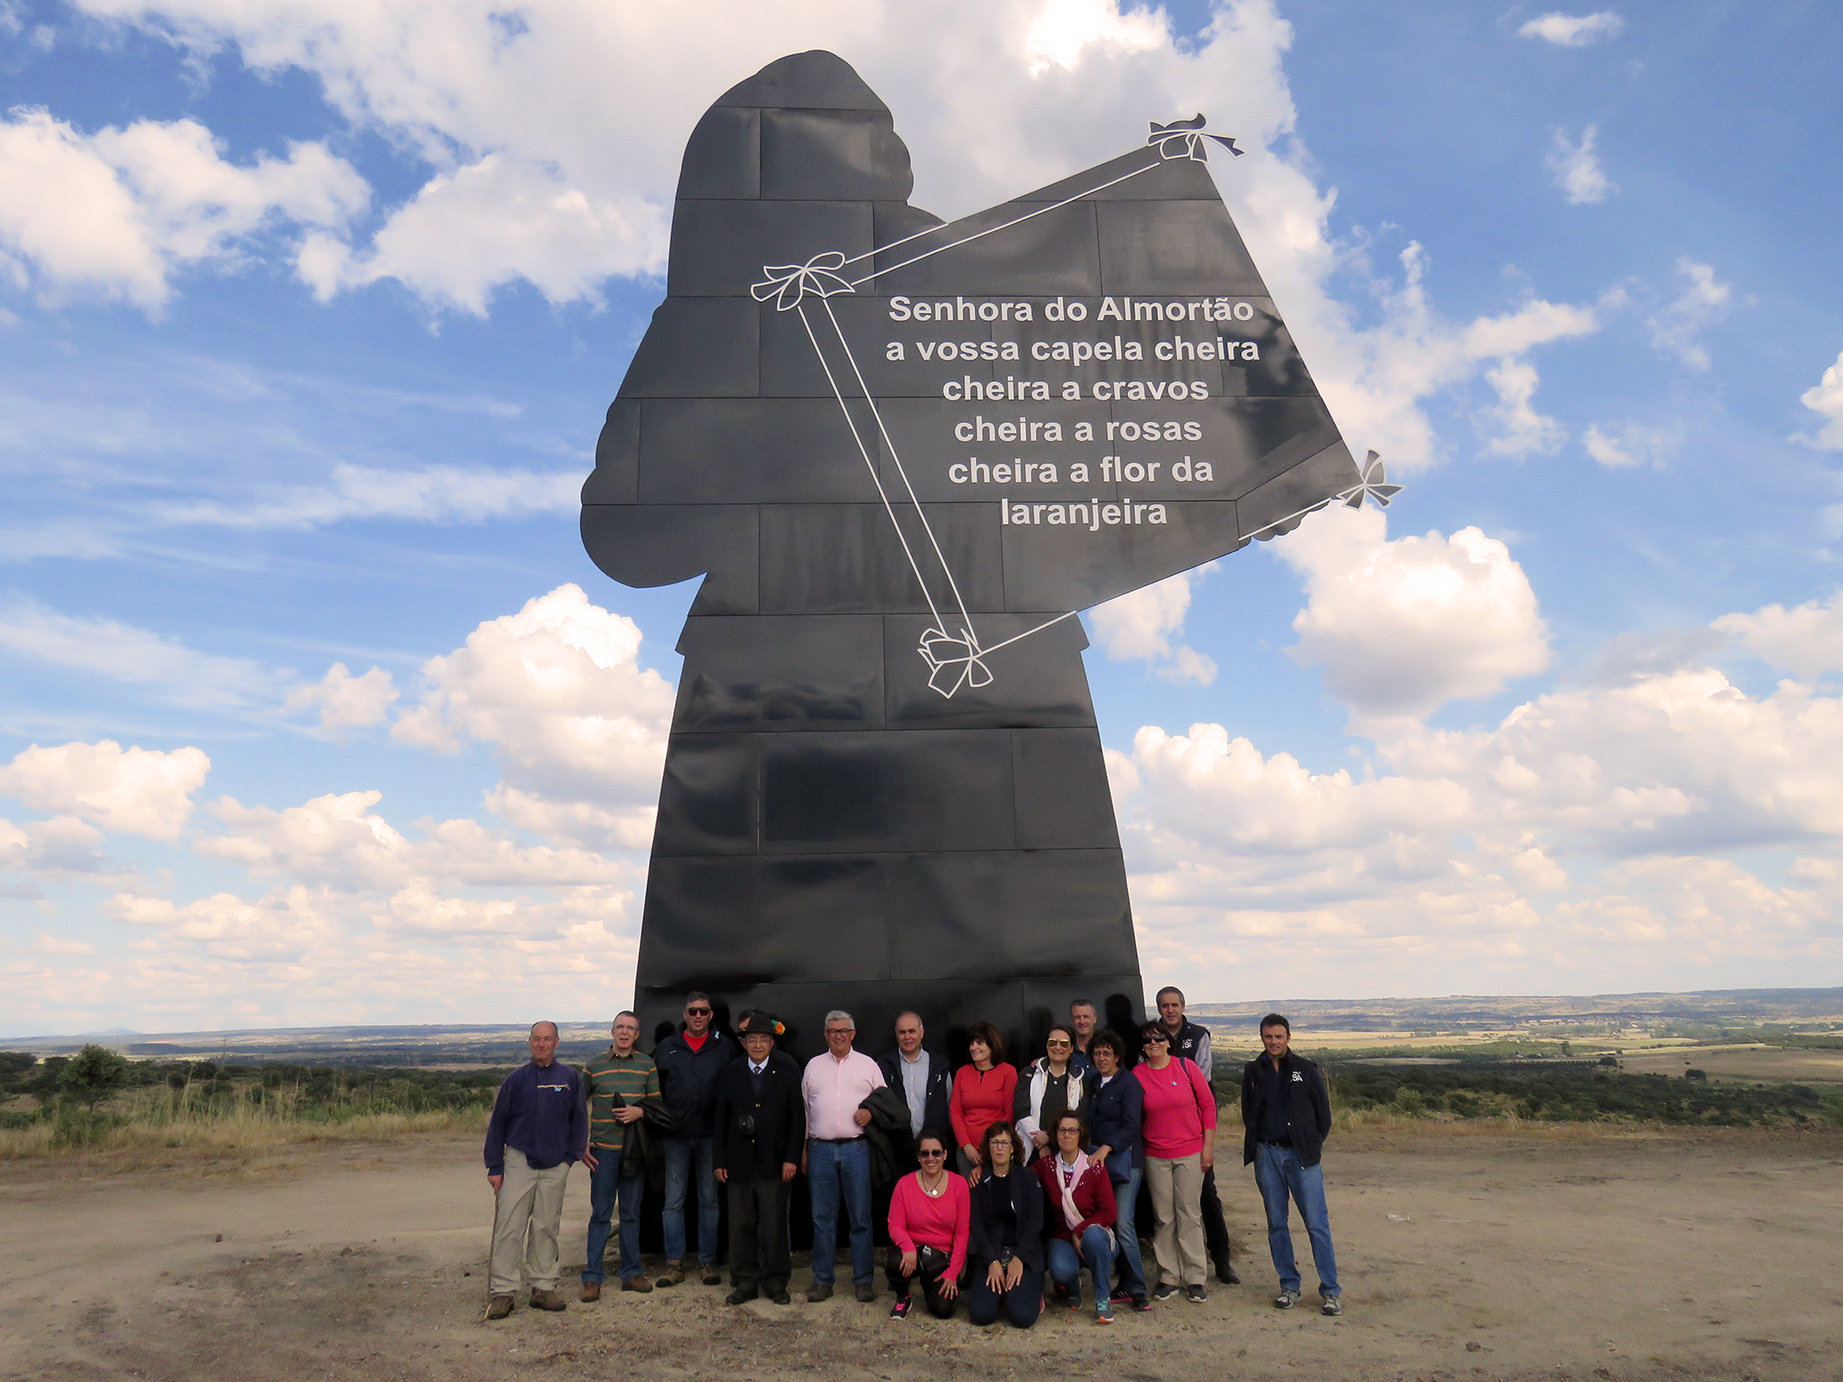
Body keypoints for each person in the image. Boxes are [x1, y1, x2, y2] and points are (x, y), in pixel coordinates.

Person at [482, 1021, 586, 1320]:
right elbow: (498, 1124)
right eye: (537, 1039)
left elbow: (579, 1120)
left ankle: (543, 1287)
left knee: (546, 1227)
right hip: (518, 1162)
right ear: (529, 1043)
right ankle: (502, 1292)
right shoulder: (516, 1080)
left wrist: (570, 1159)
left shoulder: (569, 1078)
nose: (542, 1044)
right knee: (509, 1227)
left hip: (556, 1165)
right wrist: (495, 1166)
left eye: (547, 1039)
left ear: (557, 1042)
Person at [1241, 1013, 1341, 1316]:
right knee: (1276, 1223)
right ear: (1261, 1038)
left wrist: (1309, 1144)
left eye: (1279, 1036)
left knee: (1316, 1224)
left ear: (1288, 1038)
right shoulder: (1253, 1071)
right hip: (1267, 1154)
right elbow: (1249, 1112)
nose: (1273, 1042)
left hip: (1301, 1156)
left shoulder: (1305, 1069)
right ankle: (1288, 1284)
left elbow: (1323, 1115)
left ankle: (1330, 1291)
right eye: (1268, 1037)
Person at [711, 1011, 804, 1305]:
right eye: (752, 1040)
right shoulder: (732, 1071)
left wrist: (791, 1158)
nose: (758, 1045)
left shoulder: (787, 1069)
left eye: (764, 1039)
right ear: (744, 1042)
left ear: (772, 1043)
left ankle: (776, 1282)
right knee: (741, 1225)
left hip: (774, 1162)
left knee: (774, 1224)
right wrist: (719, 1160)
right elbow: (721, 1119)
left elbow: (797, 1117)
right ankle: (745, 1281)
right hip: (738, 1162)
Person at [801, 1009, 887, 1302]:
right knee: (822, 1218)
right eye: (832, 1031)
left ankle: (863, 1280)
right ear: (825, 1035)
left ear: (853, 1034)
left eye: (843, 1030)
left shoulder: (868, 1065)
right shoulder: (813, 1066)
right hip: (819, 1150)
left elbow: (884, 1103)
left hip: (857, 1149)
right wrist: (803, 1150)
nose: (838, 1035)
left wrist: (870, 1112)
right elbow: (805, 1112)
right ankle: (822, 1280)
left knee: (861, 1218)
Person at [1156, 985, 1237, 1284]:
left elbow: (1201, 1079)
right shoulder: (1153, 1035)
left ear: (1183, 1006)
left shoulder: (1199, 1035)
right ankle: (1174, 1265)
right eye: (1165, 1005)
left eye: (1175, 1004)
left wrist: (1167, 1086)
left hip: (1196, 1131)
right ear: (1159, 1009)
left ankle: (1222, 1260)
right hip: (1164, 1133)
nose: (1170, 1010)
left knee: (1207, 1196)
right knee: (1167, 1206)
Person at [652, 992, 733, 1288]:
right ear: (684, 1014)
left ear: (711, 1015)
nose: (698, 1016)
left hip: (711, 1136)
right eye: (692, 1011)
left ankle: (707, 1261)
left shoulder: (724, 1047)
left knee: (709, 1201)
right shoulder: (667, 1048)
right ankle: (674, 1263)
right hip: (675, 1137)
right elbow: (655, 1089)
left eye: (703, 1011)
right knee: (673, 1202)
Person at [1134, 1019, 1216, 1304]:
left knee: (1189, 1214)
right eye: (1147, 1040)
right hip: (1155, 1155)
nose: (1153, 1043)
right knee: (1163, 1218)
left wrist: (1208, 1148)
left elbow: (1207, 1106)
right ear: (1142, 1047)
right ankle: (1169, 1276)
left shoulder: (1186, 1067)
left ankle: (1195, 1277)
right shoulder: (1137, 1074)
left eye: (1158, 1037)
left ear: (1168, 1041)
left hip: (1190, 1152)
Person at [579, 1011, 656, 1302]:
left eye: (631, 1029)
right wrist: (580, 1143)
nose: (625, 1033)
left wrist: (641, 1111)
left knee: (631, 1214)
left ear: (637, 1035)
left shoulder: (647, 1065)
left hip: (634, 1153)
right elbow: (576, 1107)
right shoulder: (594, 1066)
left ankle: (631, 1273)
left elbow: (657, 1106)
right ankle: (592, 1277)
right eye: (620, 1027)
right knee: (600, 1215)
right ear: (612, 1032)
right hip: (602, 1153)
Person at [1033, 1111, 1118, 1324]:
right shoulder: (1047, 1167)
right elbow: (1020, 1177)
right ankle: (1072, 1284)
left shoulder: (1094, 1166)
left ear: (1080, 1135)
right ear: (1055, 1135)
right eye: (1062, 1130)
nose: (1067, 1135)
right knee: (1060, 1271)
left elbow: (1109, 1212)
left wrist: (1080, 1232)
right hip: (1061, 1236)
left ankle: (1102, 1298)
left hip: (1093, 1235)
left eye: (1072, 1130)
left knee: (1094, 1237)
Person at [1086, 1029, 1149, 1311]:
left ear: (1117, 1056)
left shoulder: (1129, 1084)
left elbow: (1131, 1127)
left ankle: (1138, 1288)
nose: (1101, 1058)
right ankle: (1114, 1282)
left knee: (1123, 1223)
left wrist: (1107, 1147)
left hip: (1125, 1162)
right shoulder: (1093, 1083)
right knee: (1103, 1223)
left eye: (1106, 1053)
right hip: (1097, 1163)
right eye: (1097, 1053)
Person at [964, 1122, 1045, 1329]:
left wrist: (1020, 1258)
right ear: (988, 1147)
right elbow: (977, 1226)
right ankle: (1001, 1293)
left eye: (1004, 1142)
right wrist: (991, 1261)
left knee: (1023, 1318)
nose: (999, 1147)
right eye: (994, 1142)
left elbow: (1035, 1222)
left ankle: (1029, 1292)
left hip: (1023, 1254)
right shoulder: (979, 1180)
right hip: (992, 1253)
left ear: (1012, 1148)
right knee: (980, 1315)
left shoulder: (1028, 1178)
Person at [885, 1129, 970, 1319]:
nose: (930, 1158)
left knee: (943, 1310)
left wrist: (953, 1271)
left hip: (942, 1257)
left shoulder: (959, 1185)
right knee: (893, 1262)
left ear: (945, 1154)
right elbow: (895, 1224)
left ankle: (929, 1282)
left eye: (936, 1152)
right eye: (925, 1153)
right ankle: (903, 1295)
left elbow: (962, 1233)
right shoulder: (904, 1185)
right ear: (918, 1156)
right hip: (912, 1252)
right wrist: (907, 1247)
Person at [877, 1011, 952, 1163]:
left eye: (912, 1031)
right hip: (898, 1151)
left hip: (932, 1151)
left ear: (921, 1032)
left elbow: (949, 1103)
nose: (907, 1037)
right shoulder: (884, 1065)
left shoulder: (939, 1065)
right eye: (902, 1032)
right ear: (896, 1034)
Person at [1014, 1024, 1093, 1164]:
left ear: (1071, 1048)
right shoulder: (1029, 1074)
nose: (1058, 1047)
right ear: (1046, 1046)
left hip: (1066, 1151)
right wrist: (1041, 1141)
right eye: (1052, 1043)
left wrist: (1050, 1137)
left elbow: (1081, 1115)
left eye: (1064, 1044)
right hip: (1031, 1149)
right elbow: (1020, 1110)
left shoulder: (1081, 1079)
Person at [949, 1021, 1016, 1178]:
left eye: (979, 1043)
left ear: (992, 1045)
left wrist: (992, 1147)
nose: (973, 1047)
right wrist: (966, 1146)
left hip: (998, 1149)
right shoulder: (962, 1073)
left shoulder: (1008, 1072)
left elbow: (1010, 1112)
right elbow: (955, 1111)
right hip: (967, 1152)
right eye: (971, 1043)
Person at [1068, 999, 1100, 1073]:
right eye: (1077, 1017)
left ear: (1095, 1018)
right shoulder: (1065, 1051)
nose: (1082, 1022)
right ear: (1072, 1020)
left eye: (1086, 1017)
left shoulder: (1105, 1050)